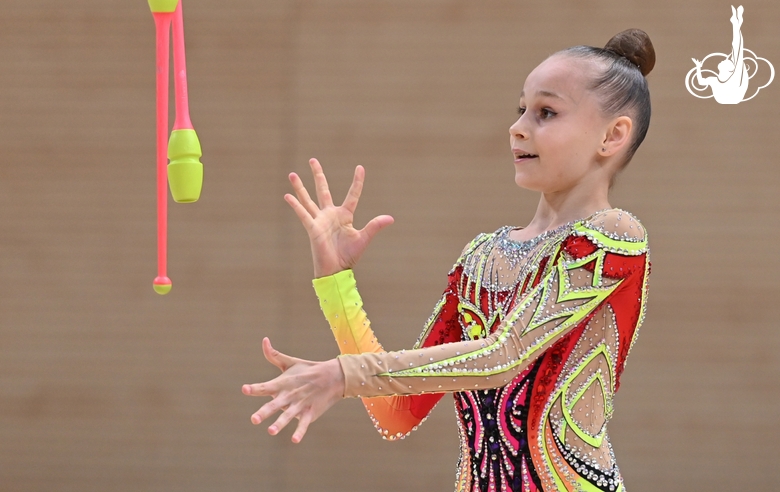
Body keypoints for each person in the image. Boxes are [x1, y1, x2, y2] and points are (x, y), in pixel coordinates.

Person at [243, 28, 655, 492]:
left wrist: (343, 374)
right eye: (520, 109)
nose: (518, 126)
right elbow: (395, 412)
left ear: (612, 135)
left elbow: (505, 355)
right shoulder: (483, 256)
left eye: (546, 112)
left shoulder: (614, 236)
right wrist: (337, 283)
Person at [692, 5, 748, 104]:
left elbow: (737, 49)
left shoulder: (734, 78)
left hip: (732, 97)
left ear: (730, 69)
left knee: (737, 50)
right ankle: (736, 23)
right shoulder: (714, 80)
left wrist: (736, 26)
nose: (725, 59)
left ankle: (736, 23)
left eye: (728, 61)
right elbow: (701, 82)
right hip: (727, 98)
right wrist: (698, 67)